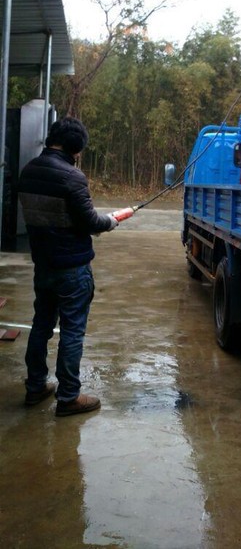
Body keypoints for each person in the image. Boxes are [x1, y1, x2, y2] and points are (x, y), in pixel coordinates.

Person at [18, 117, 119, 417]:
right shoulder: (72, 177)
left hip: (43, 266)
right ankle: (69, 397)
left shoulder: (28, 171)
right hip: (72, 269)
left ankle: (36, 387)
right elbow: (90, 222)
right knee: (73, 332)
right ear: (76, 148)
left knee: (41, 325)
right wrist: (111, 221)